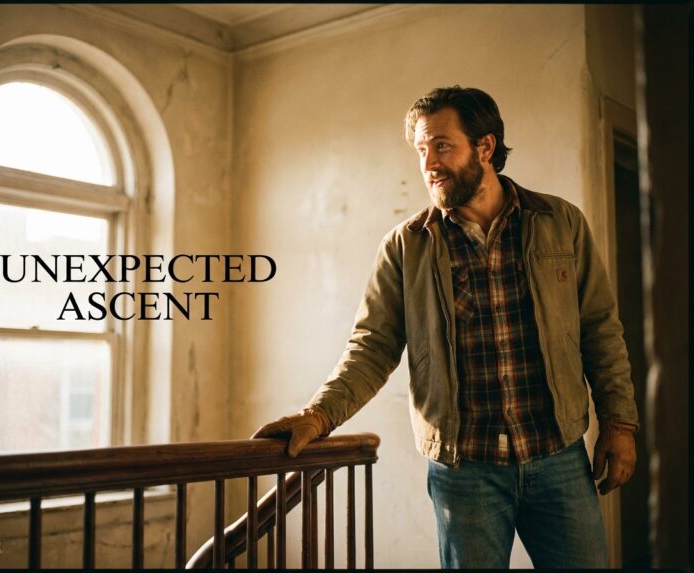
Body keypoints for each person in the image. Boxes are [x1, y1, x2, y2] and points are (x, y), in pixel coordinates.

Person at [252, 86, 638, 568]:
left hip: (556, 456)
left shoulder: (559, 222)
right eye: (420, 149)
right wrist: (318, 415)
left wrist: (619, 423)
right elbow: (372, 348)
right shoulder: (406, 246)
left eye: (441, 145)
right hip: (464, 473)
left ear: (485, 147)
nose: (429, 161)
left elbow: (600, 329)